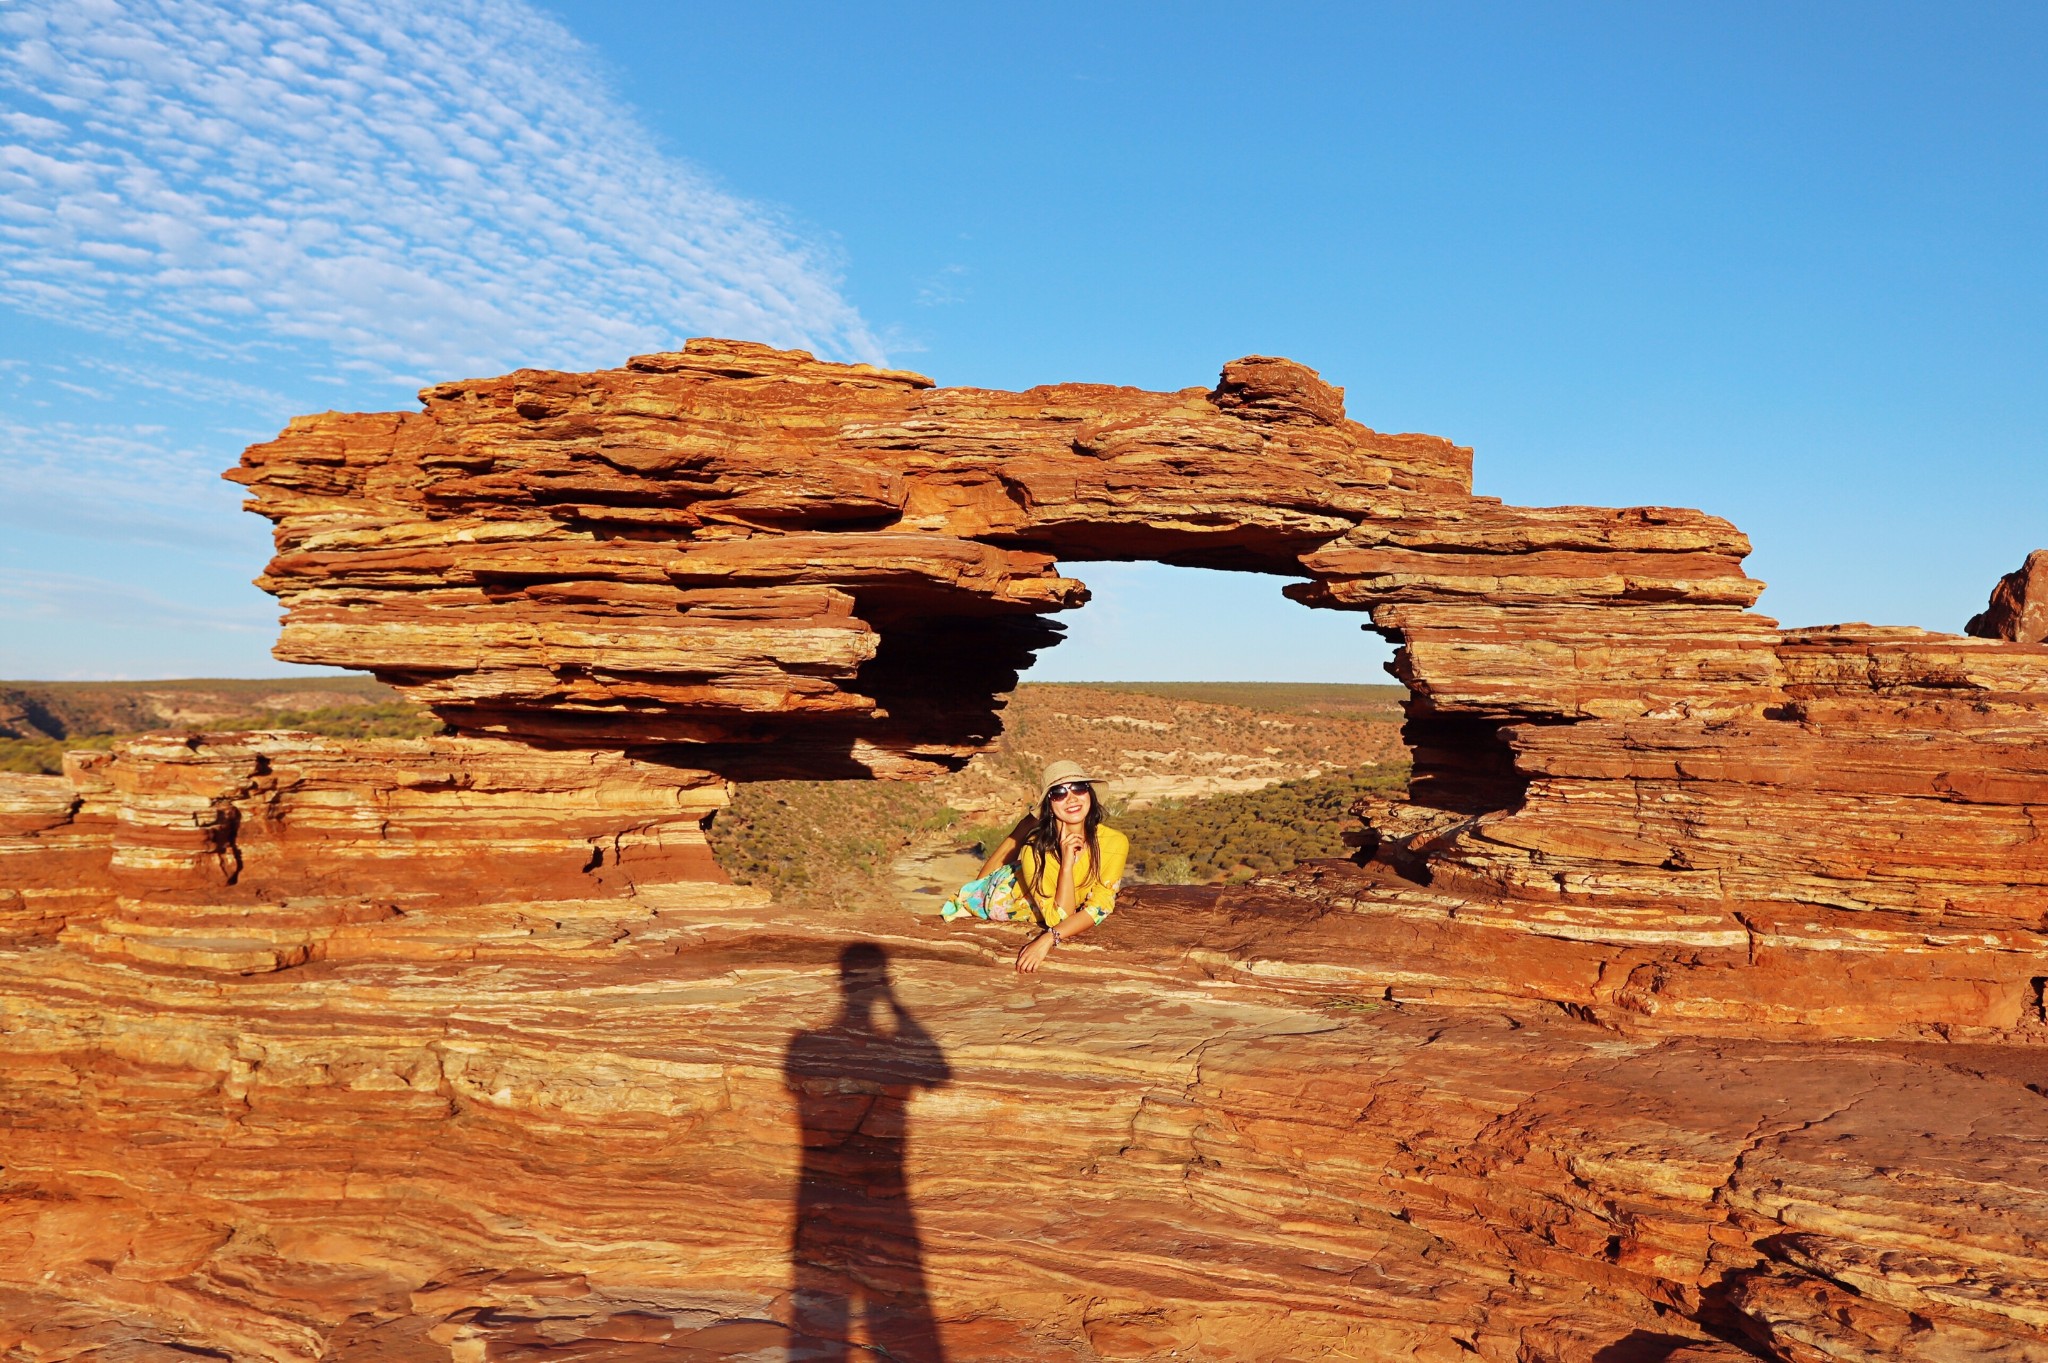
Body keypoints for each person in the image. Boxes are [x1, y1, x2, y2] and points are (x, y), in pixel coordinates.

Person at [940, 759, 1129, 974]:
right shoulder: (1033, 851)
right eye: (1059, 792)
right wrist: (1067, 865)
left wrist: (1048, 938)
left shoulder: (1115, 842)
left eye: (1079, 787)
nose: (1071, 798)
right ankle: (1026, 824)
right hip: (1007, 891)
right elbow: (1060, 919)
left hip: (1029, 878)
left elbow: (1102, 904)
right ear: (1049, 803)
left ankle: (1027, 823)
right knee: (977, 888)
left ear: (1090, 794)